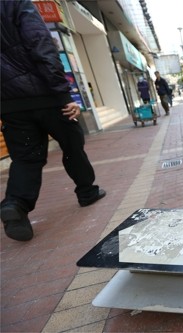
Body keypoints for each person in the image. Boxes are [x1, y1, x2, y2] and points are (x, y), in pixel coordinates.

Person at [0, 0, 105, 242]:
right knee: (72, 144)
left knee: (25, 158)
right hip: (46, 96)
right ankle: (87, 192)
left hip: (10, 104)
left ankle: (16, 204)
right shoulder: (15, 3)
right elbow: (41, 44)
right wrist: (62, 94)